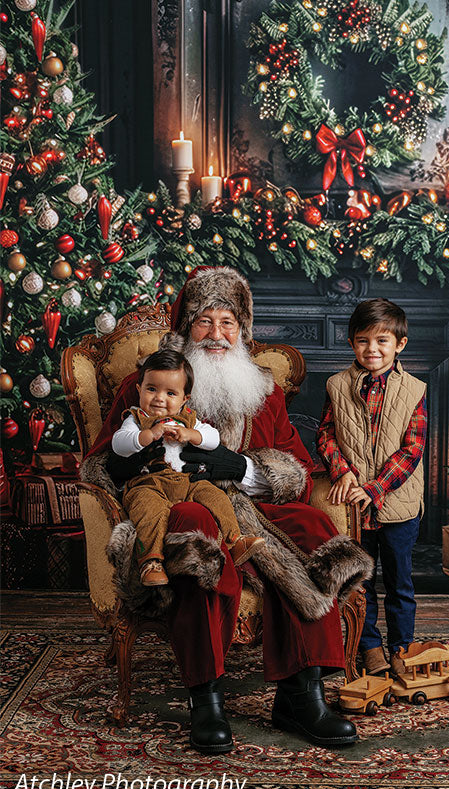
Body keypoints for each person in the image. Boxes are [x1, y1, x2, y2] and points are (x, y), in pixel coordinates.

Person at [82, 265, 373, 753]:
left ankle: (303, 695)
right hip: (172, 502)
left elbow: (297, 471)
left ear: (243, 330)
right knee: (195, 532)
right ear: (185, 327)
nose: (217, 334)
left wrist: (237, 465)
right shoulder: (147, 382)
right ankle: (207, 697)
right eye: (204, 321)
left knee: (314, 525)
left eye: (229, 322)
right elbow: (97, 465)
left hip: (252, 505)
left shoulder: (262, 388)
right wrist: (136, 455)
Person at [317, 298, 427, 678]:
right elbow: (326, 436)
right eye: (363, 341)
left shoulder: (414, 389)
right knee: (359, 581)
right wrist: (342, 471)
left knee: (399, 582)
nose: (372, 350)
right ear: (351, 344)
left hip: (397, 505)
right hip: (353, 508)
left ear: (400, 344)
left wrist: (376, 488)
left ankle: (402, 646)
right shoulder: (336, 385)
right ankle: (370, 646)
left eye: (382, 341)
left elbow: (412, 449)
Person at [112, 348, 263, 587]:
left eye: (170, 393)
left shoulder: (189, 419)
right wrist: (148, 435)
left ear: (185, 399)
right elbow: (119, 444)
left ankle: (235, 540)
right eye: (151, 389)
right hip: (148, 483)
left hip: (188, 481)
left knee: (216, 496)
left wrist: (190, 434)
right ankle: (150, 562)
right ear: (139, 389)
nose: (159, 398)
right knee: (149, 512)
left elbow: (212, 438)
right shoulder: (135, 419)